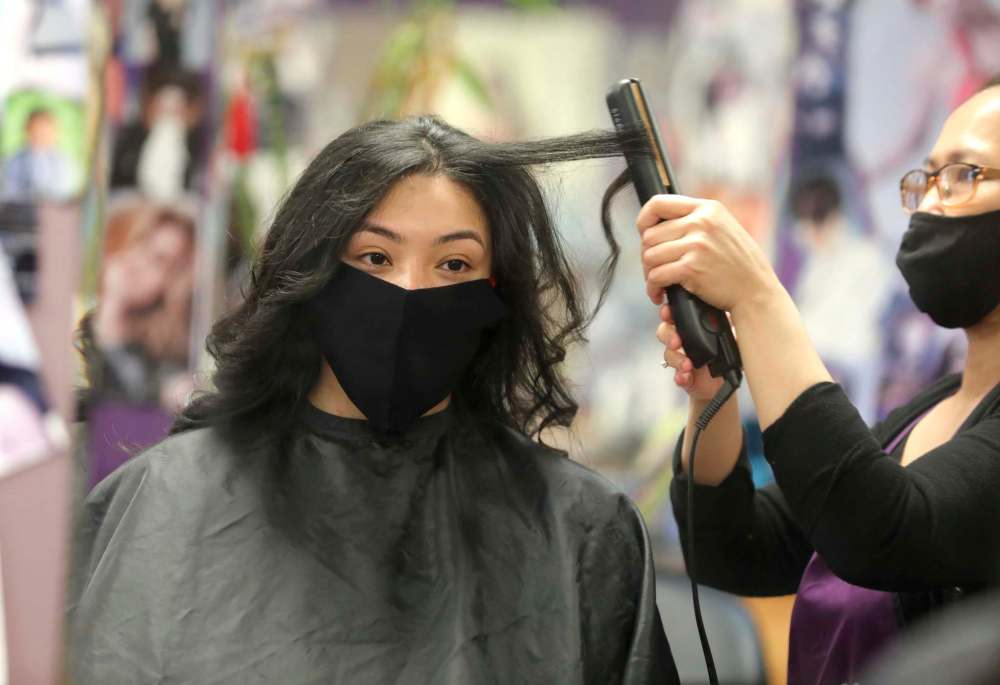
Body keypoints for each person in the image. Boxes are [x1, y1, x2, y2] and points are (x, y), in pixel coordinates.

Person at [67, 116, 679, 684]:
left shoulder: (581, 529)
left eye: (453, 263)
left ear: (495, 296)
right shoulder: (160, 501)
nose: (410, 290)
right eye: (376, 257)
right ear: (313, 274)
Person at [650, 78, 1000, 684]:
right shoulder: (926, 413)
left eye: (965, 175)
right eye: (926, 179)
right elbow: (736, 547)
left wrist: (759, 298)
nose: (930, 204)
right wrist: (714, 391)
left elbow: (881, 530)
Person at [2, 107, 76, 201]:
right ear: (27, 130)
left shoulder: (65, 162)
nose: (41, 134)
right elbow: (10, 194)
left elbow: (66, 194)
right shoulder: (13, 161)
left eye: (45, 129)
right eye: (37, 129)